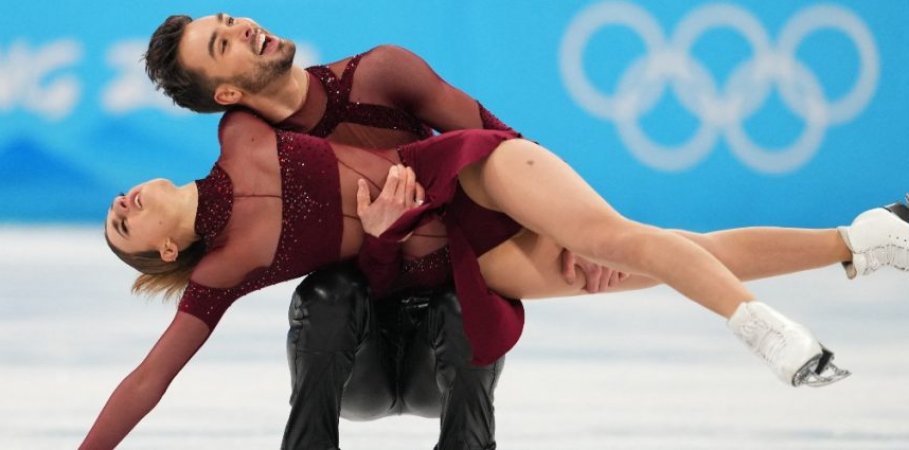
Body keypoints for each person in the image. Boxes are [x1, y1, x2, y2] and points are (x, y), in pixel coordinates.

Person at [81, 100, 909, 448]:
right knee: (668, 252)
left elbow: (374, 94)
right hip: (459, 249)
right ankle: (860, 242)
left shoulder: (237, 129)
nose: (122, 204)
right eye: (124, 229)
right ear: (166, 251)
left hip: (468, 171)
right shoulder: (226, 267)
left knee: (630, 242)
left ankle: (768, 331)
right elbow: (149, 377)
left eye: (118, 205)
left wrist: (523, 163)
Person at [143, 13, 629, 450]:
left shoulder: (379, 75)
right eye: (221, 44)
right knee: (327, 293)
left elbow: (511, 150)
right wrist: (382, 240)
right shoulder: (254, 148)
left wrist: (585, 235)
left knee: (465, 301)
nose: (240, 27)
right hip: (360, 358)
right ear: (226, 94)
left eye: (228, 19)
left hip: (441, 345)